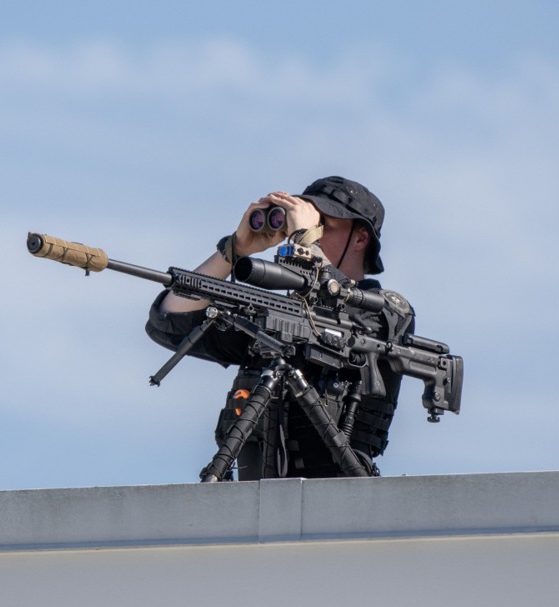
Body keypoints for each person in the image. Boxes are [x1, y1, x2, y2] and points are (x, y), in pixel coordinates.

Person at [146, 176, 415, 480]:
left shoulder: (387, 310)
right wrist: (233, 251)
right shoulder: (279, 320)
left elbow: (363, 324)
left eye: (321, 223)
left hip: (342, 493)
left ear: (360, 238)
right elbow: (169, 321)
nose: (296, 234)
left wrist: (307, 239)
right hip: (258, 502)